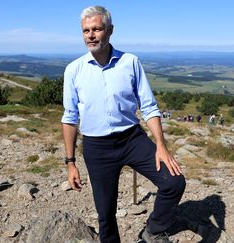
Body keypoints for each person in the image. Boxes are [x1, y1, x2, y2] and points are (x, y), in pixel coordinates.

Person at [61, 6, 186, 243]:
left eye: (96, 29)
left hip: (132, 139)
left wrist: (161, 145)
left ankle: (153, 231)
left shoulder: (130, 62)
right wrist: (70, 162)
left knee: (174, 182)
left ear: (110, 30)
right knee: (106, 214)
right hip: (96, 147)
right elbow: (70, 117)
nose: (90, 35)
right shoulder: (73, 70)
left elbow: (148, 106)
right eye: (86, 30)